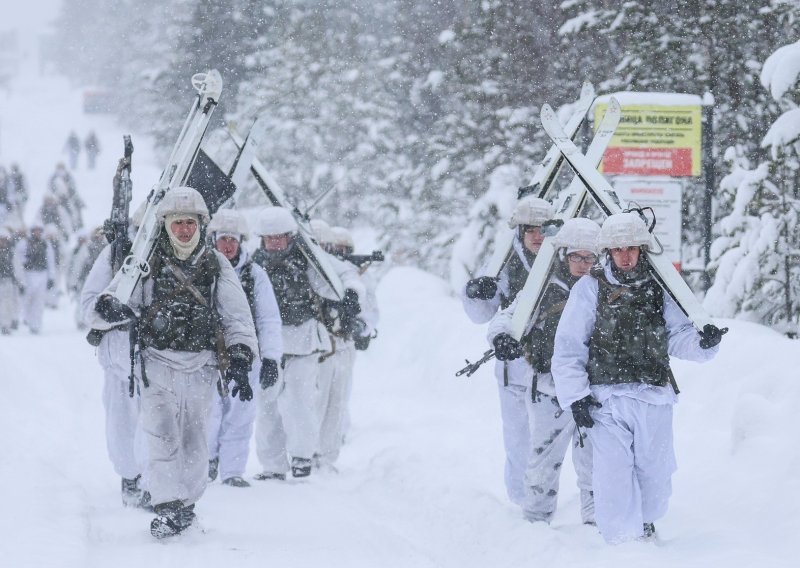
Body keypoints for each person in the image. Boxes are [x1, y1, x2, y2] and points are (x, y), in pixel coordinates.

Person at [92, 187, 258, 538]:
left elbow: (237, 316)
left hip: (202, 367)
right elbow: (115, 299)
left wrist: (241, 357)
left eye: (190, 223)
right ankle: (166, 505)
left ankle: (187, 504)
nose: (184, 230)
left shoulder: (216, 264)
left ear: (200, 224)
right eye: (177, 223)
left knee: (194, 438)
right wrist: (108, 309)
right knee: (161, 435)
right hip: (156, 365)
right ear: (165, 224)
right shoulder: (145, 262)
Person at [551, 212, 725, 544]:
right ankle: (620, 544)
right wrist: (576, 397)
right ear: (608, 251)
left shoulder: (660, 288)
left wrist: (703, 344)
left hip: (653, 396)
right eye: (618, 249)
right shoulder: (590, 289)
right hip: (607, 401)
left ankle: (646, 524)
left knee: (655, 474)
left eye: (632, 247)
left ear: (642, 249)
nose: (626, 255)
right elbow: (569, 347)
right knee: (613, 476)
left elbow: (677, 336)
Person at [488, 217, 601, 524]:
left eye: (588, 257)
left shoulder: (605, 289)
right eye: (575, 256)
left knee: (595, 462)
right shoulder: (543, 286)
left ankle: (597, 527)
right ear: (564, 254)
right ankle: (536, 524)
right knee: (542, 461)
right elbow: (510, 315)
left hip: (594, 391)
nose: (581, 263)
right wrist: (501, 337)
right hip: (549, 389)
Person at [251, 207, 365, 479]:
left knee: (301, 402)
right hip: (267, 344)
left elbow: (346, 274)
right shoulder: (254, 265)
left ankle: (302, 457)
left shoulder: (310, 259)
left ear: (290, 237)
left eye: (280, 237)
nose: (275, 243)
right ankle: (273, 465)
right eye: (269, 238)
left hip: (304, 340)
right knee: (267, 407)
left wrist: (350, 294)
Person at [461, 195, 554, 506]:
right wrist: (476, 293)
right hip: (512, 363)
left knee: (548, 441)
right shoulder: (505, 263)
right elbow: (482, 315)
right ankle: (520, 501)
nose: (538, 237)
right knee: (517, 439)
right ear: (520, 232)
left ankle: (545, 501)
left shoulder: (563, 261)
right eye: (532, 231)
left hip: (553, 364)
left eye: (544, 230)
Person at [205, 209, 283, 488]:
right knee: (209, 413)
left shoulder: (254, 274)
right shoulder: (204, 269)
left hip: (246, 355)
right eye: (223, 239)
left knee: (241, 415)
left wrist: (272, 358)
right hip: (209, 354)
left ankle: (232, 471)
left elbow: (268, 318)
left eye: (233, 240)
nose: (228, 245)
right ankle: (207, 461)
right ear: (213, 240)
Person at [315, 225, 378, 469]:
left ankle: (328, 455)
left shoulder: (354, 276)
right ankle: (307, 453)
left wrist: (358, 325)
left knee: (337, 401)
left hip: (343, 343)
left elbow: (369, 310)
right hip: (319, 345)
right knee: (314, 402)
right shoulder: (315, 272)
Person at [15, 225, 56, 334]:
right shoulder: (23, 243)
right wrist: (20, 280)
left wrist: (51, 277)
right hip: (28, 274)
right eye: (35, 230)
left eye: (39, 231)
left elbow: (50, 260)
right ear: (32, 231)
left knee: (39, 301)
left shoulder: (46, 244)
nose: (37, 233)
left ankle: (36, 324)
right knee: (27, 298)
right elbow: (17, 260)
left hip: (42, 274)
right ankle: (27, 318)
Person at [0, 229, 22, 334]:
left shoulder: (12, 253)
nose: (2, 242)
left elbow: (17, 267)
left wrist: (20, 282)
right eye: (1, 240)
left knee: (7, 304)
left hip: (8, 282)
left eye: (4, 240)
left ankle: (5, 325)